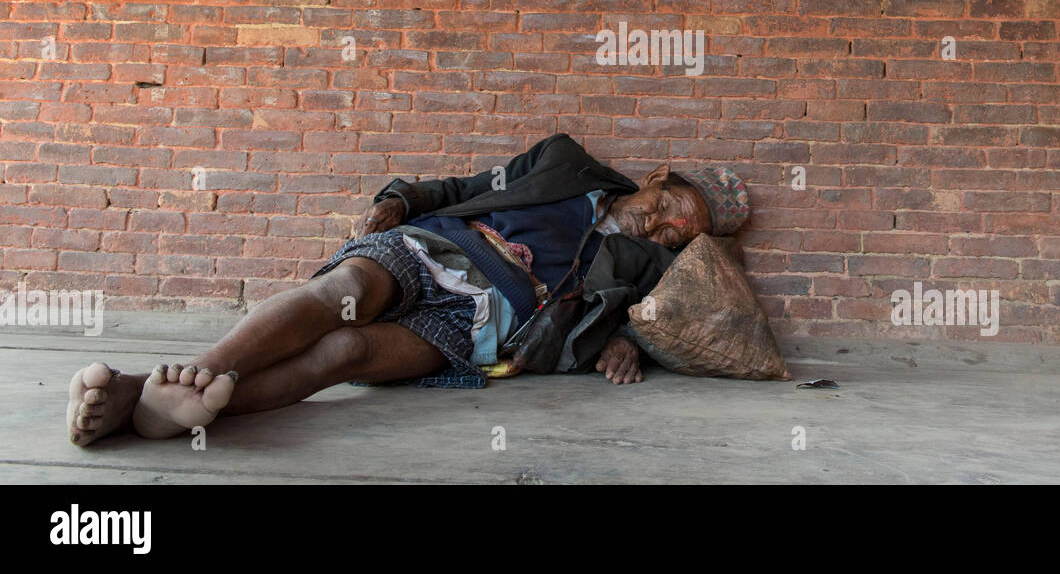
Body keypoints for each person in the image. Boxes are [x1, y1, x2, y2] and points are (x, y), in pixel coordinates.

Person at [66, 134, 750, 445]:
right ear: (659, 176)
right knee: (347, 289)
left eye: (677, 235)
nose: (660, 227)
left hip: (487, 324)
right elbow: (462, 189)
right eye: (670, 207)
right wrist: (400, 197)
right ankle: (201, 373)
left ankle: (150, 403)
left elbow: (664, 320)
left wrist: (629, 341)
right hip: (439, 249)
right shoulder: (563, 161)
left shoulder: (646, 268)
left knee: (345, 355)